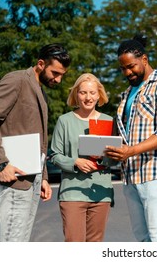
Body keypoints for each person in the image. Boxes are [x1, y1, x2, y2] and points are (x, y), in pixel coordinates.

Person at [0, 43, 71, 241]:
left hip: (34, 177)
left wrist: (44, 176)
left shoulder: (41, 92)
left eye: (62, 74)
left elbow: (39, 139)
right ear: (41, 64)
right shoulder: (17, 80)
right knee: (13, 242)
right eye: (55, 73)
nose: (58, 79)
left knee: (21, 242)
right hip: (14, 177)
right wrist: (0, 163)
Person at [104, 34, 157, 242]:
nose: (127, 72)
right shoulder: (127, 93)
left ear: (145, 59)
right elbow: (127, 133)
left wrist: (130, 150)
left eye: (131, 66)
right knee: (142, 239)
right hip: (131, 174)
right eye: (123, 68)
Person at [49, 73, 114, 242]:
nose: (88, 97)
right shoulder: (65, 121)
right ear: (76, 94)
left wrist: (101, 159)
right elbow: (54, 155)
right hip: (72, 193)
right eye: (83, 92)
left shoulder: (109, 121)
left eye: (92, 92)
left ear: (99, 94)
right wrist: (75, 162)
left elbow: (116, 157)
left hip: (101, 193)